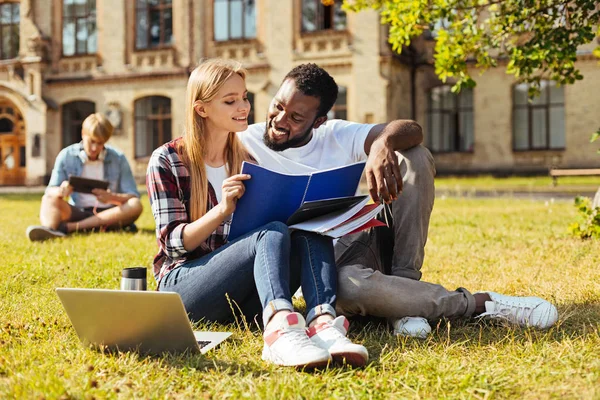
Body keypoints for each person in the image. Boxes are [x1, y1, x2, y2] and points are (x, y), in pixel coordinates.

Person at [237, 63, 559, 338]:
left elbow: (413, 130)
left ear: (318, 121)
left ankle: (404, 289)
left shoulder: (335, 134)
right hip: (323, 271)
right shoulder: (244, 142)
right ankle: (478, 303)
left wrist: (383, 143)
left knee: (414, 157)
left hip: (361, 240)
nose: (280, 120)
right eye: (277, 106)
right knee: (347, 288)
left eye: (296, 117)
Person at [146, 59, 368, 368]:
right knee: (272, 231)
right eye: (230, 100)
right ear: (201, 109)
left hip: (240, 295)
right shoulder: (167, 160)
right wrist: (222, 210)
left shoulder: (247, 159)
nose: (244, 107)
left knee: (309, 228)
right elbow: (173, 244)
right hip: (184, 288)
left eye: (245, 97)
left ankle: (322, 323)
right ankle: (279, 332)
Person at [26, 113, 143, 242]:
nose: (94, 148)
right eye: (92, 141)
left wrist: (112, 198)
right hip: (78, 212)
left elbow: (133, 196)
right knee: (48, 198)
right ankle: (49, 230)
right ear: (83, 134)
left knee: (135, 205)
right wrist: (61, 190)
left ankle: (67, 228)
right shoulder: (67, 155)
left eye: (100, 143)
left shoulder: (118, 158)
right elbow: (50, 190)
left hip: (110, 213)